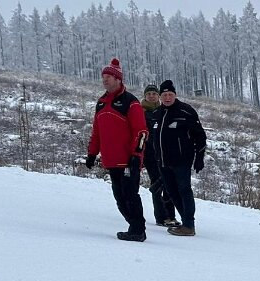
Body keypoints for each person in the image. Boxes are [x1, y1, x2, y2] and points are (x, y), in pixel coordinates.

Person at [86, 58, 149, 242]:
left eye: (108, 77)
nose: (104, 80)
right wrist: (92, 153)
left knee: (130, 195)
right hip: (111, 160)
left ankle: (138, 230)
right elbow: (97, 132)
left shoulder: (131, 102)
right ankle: (134, 226)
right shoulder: (101, 103)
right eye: (103, 77)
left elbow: (141, 131)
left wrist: (136, 154)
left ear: (118, 79)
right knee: (119, 197)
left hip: (129, 160)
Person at [149, 80, 206, 237]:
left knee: (184, 190)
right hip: (163, 162)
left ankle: (189, 225)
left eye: (170, 95)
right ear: (160, 97)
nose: (167, 98)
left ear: (175, 95)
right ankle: (185, 222)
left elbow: (200, 135)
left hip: (182, 161)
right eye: (164, 95)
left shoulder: (186, 111)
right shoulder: (156, 113)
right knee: (172, 192)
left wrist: (199, 157)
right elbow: (153, 138)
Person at [141, 83, 179, 227]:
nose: (151, 96)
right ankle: (161, 217)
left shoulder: (164, 111)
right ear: (145, 96)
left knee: (169, 184)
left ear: (158, 96)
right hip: (150, 155)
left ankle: (171, 216)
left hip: (165, 154)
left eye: (154, 94)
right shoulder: (140, 112)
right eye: (149, 94)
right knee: (157, 184)